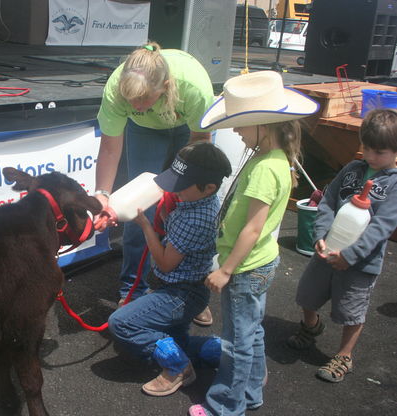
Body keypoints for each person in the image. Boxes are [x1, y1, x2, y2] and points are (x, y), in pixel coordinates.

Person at [188, 70, 319, 416]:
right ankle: (251, 392)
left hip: (244, 269)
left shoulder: (263, 168)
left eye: (241, 124)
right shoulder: (275, 160)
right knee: (252, 332)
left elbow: (252, 228)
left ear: (263, 125)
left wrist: (226, 270)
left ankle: (225, 406)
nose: (235, 131)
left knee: (236, 342)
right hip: (260, 263)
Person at [93, 41, 215, 322]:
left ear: (166, 86)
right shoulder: (117, 89)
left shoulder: (193, 87)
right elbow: (110, 148)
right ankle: (133, 290)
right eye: (130, 100)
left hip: (188, 131)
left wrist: (180, 190)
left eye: (142, 99)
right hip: (146, 131)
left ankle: (187, 292)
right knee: (139, 210)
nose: (135, 105)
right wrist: (102, 194)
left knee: (186, 208)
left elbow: (200, 145)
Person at [107, 142, 232, 397]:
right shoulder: (199, 203)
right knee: (178, 340)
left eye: (181, 185)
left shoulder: (194, 218)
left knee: (121, 323)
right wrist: (165, 217)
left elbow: (165, 262)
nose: (175, 190)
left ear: (209, 187)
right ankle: (228, 354)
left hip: (180, 293)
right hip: (184, 289)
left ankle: (178, 368)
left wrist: (144, 225)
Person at [286, 108, 397, 383]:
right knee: (307, 294)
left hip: (360, 263)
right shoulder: (351, 169)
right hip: (327, 251)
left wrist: (351, 255)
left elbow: (382, 227)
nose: (370, 156)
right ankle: (311, 326)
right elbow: (327, 201)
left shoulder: (394, 184)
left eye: (379, 152)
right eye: (367, 148)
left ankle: (344, 355)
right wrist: (320, 235)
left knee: (351, 310)